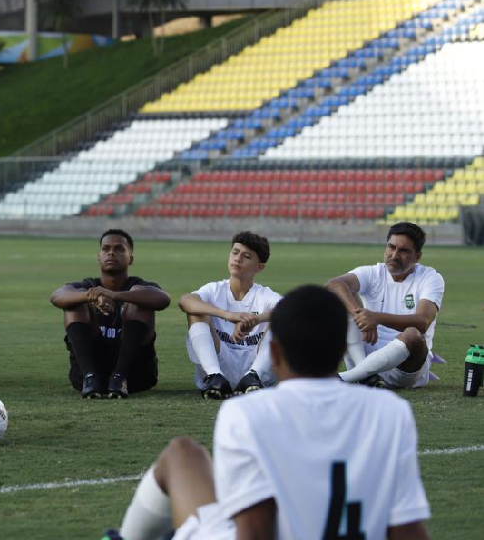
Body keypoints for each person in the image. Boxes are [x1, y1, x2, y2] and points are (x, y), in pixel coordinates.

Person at [112, 285, 431, 540]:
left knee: (182, 454)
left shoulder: (245, 413)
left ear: (275, 353)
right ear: (342, 351)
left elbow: (254, 532)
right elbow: (407, 529)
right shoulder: (392, 412)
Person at [50, 229, 171, 399]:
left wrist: (113, 296)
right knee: (75, 302)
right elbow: (57, 296)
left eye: (119, 248)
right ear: (98, 257)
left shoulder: (139, 285)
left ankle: (119, 377)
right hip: (89, 372)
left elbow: (163, 299)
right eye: (105, 249)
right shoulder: (89, 285)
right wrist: (91, 296)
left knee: (140, 298)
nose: (111, 252)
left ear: (131, 258)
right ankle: (90, 378)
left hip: (135, 377)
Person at [327, 221, 444, 389]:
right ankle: (366, 376)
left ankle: (345, 377)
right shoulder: (374, 272)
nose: (394, 255)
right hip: (364, 355)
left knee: (413, 334)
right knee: (340, 300)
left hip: (404, 367)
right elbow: (334, 284)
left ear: (417, 256)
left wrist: (376, 318)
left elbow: (422, 322)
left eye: (403, 251)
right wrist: (360, 316)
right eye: (391, 247)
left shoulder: (430, 278)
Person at [178, 231, 281, 400]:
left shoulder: (264, 295)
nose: (237, 259)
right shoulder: (214, 289)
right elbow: (185, 301)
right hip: (221, 362)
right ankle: (214, 376)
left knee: (282, 320)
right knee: (197, 311)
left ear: (259, 267)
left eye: (246, 256)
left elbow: (291, 309)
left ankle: (253, 376)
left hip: (256, 364)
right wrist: (228, 315)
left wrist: (255, 319)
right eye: (235, 252)